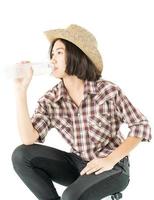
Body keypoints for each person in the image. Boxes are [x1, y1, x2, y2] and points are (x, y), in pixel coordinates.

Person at [11, 24, 151, 200]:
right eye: (52, 54)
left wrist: (110, 160)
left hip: (112, 166)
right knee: (21, 155)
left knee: (71, 197)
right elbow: (28, 138)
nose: (52, 59)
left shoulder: (107, 90)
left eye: (59, 52)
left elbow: (141, 126)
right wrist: (21, 91)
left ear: (76, 54)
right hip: (78, 165)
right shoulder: (52, 99)